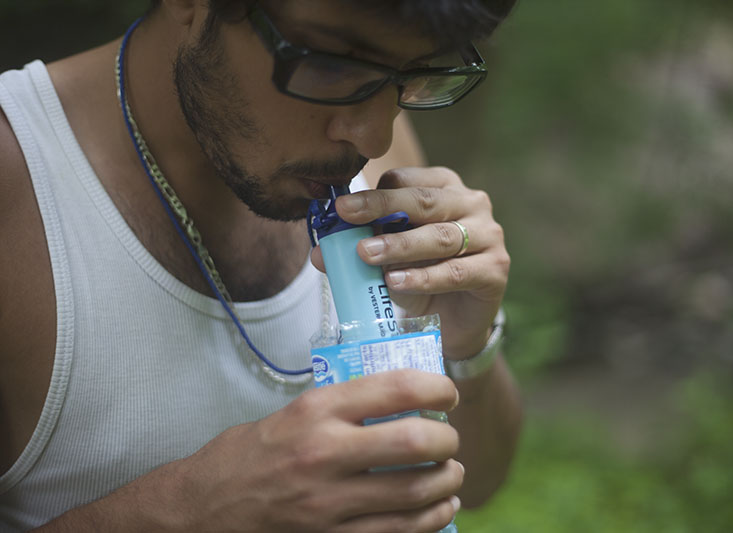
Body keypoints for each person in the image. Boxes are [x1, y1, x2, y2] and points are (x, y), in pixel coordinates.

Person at [0, 0, 522, 530]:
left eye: (416, 74)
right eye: (333, 64)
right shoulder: (16, 182)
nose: (374, 139)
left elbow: (478, 481)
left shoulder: (376, 146)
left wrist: (467, 349)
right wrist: (190, 510)